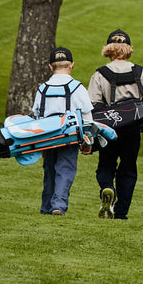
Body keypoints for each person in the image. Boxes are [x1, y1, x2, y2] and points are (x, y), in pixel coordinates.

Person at [87, 29, 143, 220]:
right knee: (128, 169)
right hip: (133, 128)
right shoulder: (139, 71)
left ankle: (107, 187)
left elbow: (91, 105)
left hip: (109, 129)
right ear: (128, 49)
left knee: (105, 165)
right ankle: (121, 212)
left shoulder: (100, 74)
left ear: (109, 49)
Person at [33, 46, 94, 216]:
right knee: (65, 169)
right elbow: (87, 117)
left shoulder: (42, 88)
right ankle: (58, 204)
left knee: (49, 171)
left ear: (50, 67)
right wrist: (88, 140)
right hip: (69, 136)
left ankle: (46, 207)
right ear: (71, 65)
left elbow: (37, 115)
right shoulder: (77, 87)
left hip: (47, 137)